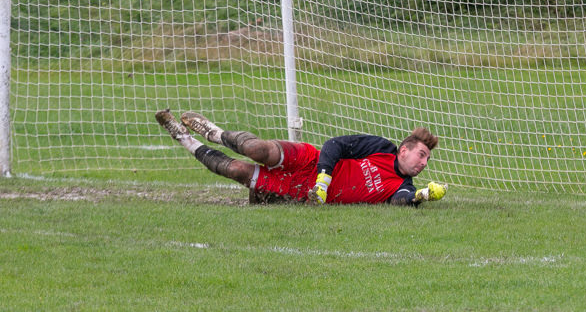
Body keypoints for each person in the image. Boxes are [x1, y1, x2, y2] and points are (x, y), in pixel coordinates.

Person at [155, 109, 447, 206]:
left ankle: (184, 138)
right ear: (404, 149)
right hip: (310, 162)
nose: (422, 163)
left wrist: (421, 195)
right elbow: (334, 145)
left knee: (237, 171)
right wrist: (324, 178)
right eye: (421, 155)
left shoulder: (404, 186)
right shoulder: (382, 147)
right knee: (259, 151)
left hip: (300, 190)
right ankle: (214, 133)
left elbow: (400, 202)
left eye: (427, 161)